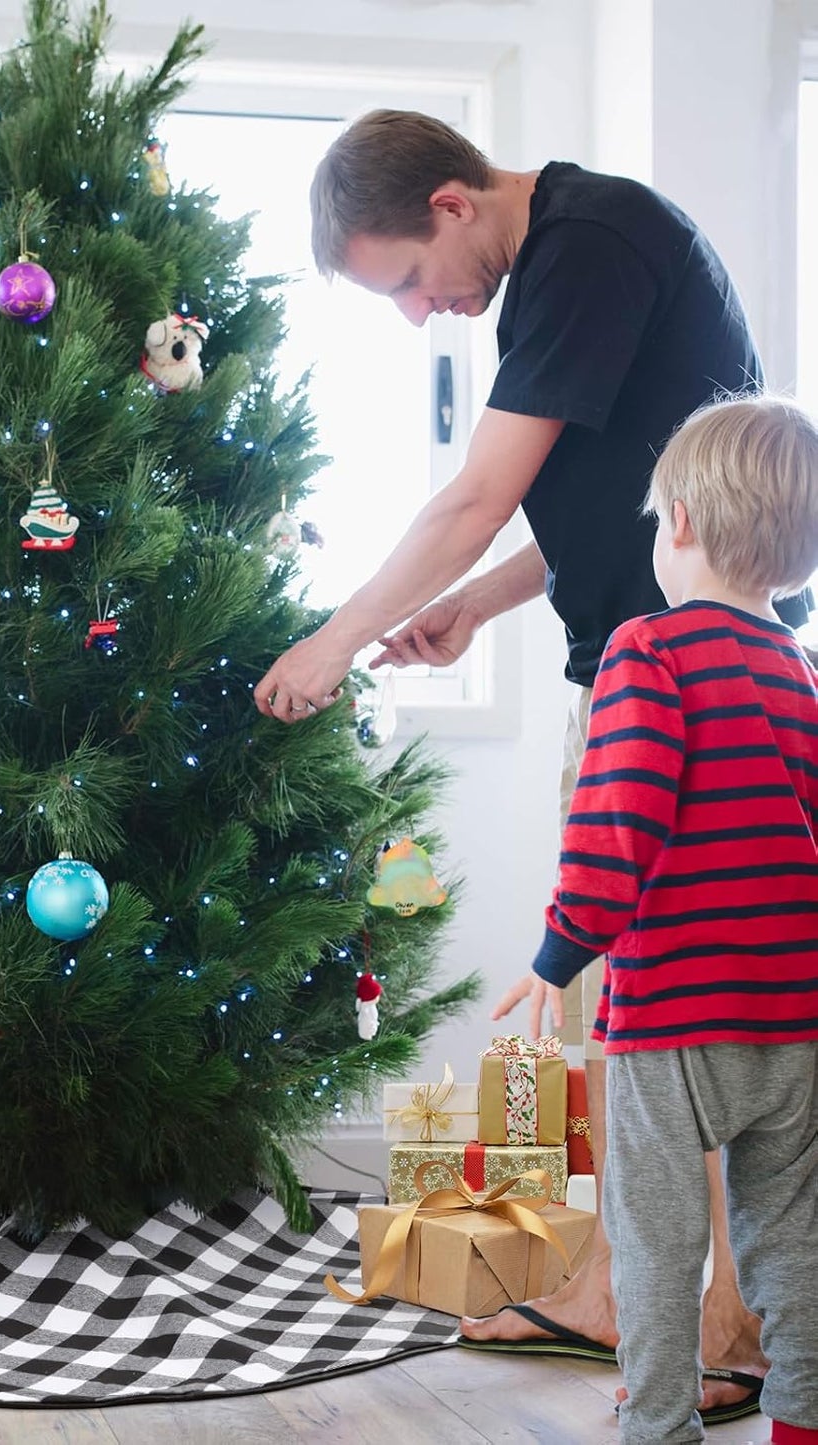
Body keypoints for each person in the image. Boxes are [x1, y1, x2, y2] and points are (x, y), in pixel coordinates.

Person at [255, 108, 810, 1422]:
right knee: (642, 1029)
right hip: (671, 667)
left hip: (664, 686)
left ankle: (704, 1327)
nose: (417, 313)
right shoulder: (582, 259)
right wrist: (484, 607)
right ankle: (634, 1290)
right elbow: (606, 500)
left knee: (663, 1020)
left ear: (453, 202)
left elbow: (474, 492)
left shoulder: (586, 247)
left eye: (403, 281)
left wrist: (330, 641)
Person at [493, 393, 818, 1444]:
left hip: (673, 1011)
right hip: (795, 1014)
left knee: (655, 1234)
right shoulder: (802, 678)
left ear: (673, 523)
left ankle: (659, 1425)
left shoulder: (649, 651)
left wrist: (558, 951)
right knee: (788, 1235)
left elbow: (616, 816)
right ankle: (800, 1420)